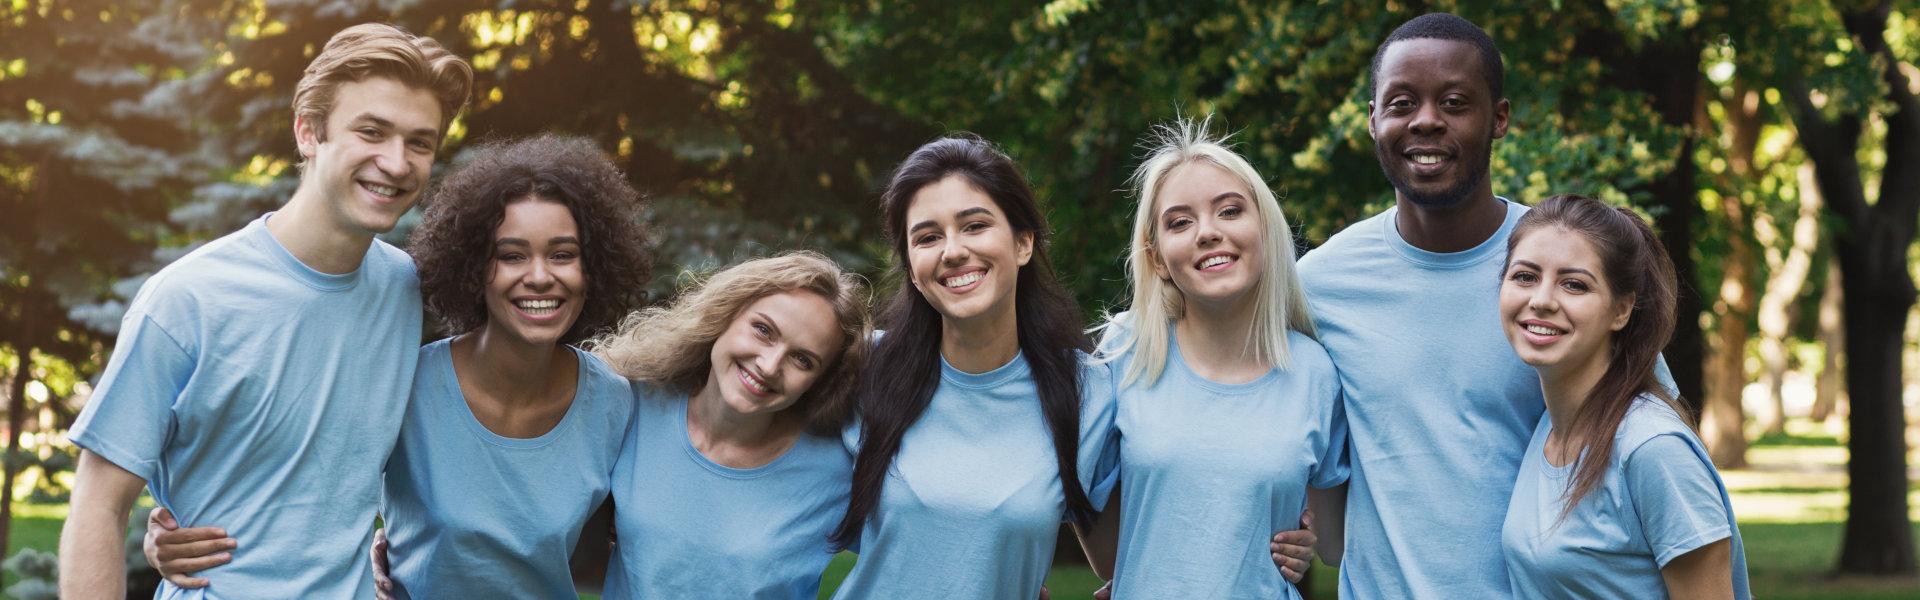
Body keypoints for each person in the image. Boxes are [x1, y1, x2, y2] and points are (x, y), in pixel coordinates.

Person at [60, 23, 472, 599]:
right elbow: (99, 505)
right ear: (308, 132)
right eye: (371, 132)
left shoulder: (404, 286)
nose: (397, 162)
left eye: (420, 142)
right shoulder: (186, 300)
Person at [145, 133, 653, 598]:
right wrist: (172, 529)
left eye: (563, 254)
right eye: (512, 256)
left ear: (594, 268)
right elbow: (296, 484)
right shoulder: (408, 386)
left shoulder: (612, 403)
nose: (540, 277)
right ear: (475, 268)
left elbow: (626, 542)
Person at [1289, 12, 1674, 599]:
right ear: (1372, 121)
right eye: (1399, 103)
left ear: (1499, 119)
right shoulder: (1319, 284)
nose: (1425, 120)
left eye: (1453, 102)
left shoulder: (1565, 269)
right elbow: (1245, 411)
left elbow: (1655, 439)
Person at [825, 135, 1120, 599]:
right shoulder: (860, 366)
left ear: (1023, 242)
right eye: (927, 237)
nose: (953, 251)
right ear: (912, 269)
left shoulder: (1088, 391)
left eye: (975, 225)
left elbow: (1129, 560)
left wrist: (1273, 535)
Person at [1090, 117, 1348, 599]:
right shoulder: (1125, 356)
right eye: (1180, 222)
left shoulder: (1315, 371)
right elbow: (1107, 550)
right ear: (1157, 259)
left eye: (1230, 211)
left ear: (1265, 232)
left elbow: (1331, 542)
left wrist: (1304, 540)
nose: (1207, 232)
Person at [1496, 194, 1748, 598]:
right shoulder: (1549, 426)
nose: (1541, 300)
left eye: (1574, 284)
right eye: (1525, 276)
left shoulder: (1652, 448)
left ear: (1621, 310)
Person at [585, 251, 870, 598]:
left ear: (821, 382)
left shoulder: (836, 471)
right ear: (724, 314)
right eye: (763, 330)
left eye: (802, 359)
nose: (768, 365)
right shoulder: (635, 403)